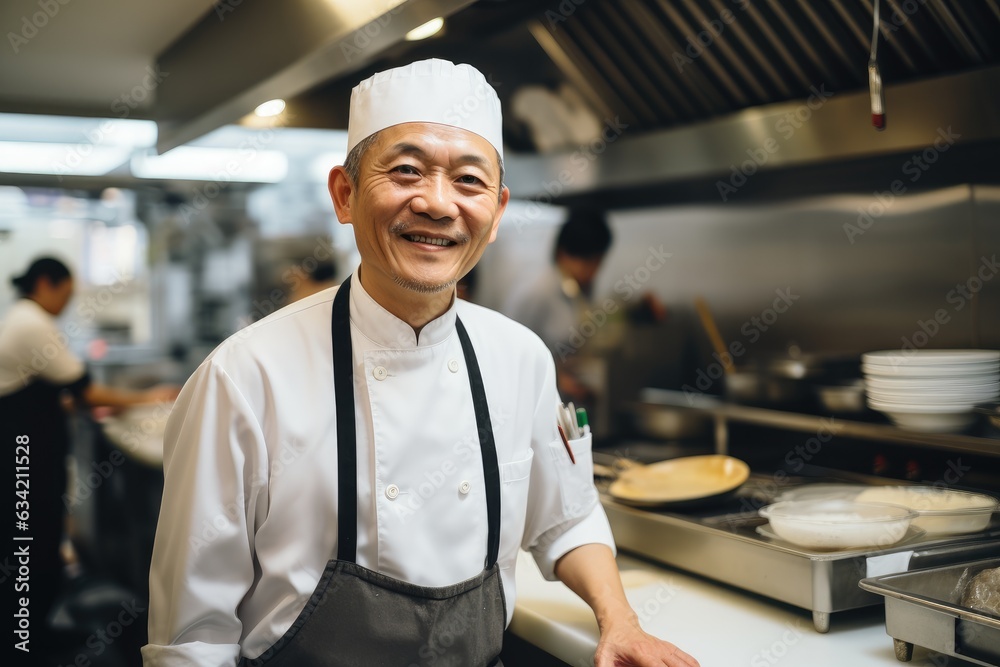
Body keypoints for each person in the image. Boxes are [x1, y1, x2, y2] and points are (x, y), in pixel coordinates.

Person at [143, 59, 698, 667]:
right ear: (345, 194)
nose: (437, 204)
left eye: (468, 180)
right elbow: (190, 643)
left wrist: (621, 621)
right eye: (407, 170)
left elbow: (566, 518)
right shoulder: (243, 378)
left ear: (497, 212)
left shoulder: (521, 360)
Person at [0, 256, 177, 663]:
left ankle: (32, 635)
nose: (66, 303)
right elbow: (86, 391)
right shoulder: (32, 323)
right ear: (45, 283)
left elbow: (49, 392)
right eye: (65, 293)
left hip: (25, 450)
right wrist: (149, 398)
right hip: (24, 456)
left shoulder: (21, 317)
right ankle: (24, 643)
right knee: (30, 541)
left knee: (34, 540)